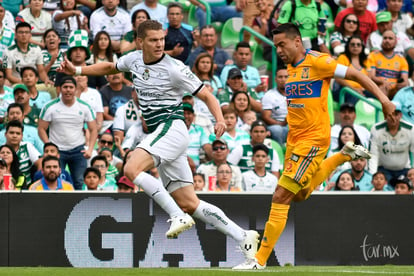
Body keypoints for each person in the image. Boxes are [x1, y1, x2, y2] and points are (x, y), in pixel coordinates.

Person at [57, 20, 260, 260]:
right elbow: (110, 67)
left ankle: (177, 216)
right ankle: (243, 236)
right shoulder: (133, 59)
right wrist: (78, 71)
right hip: (161, 133)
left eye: (162, 39)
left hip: (171, 128)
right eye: (153, 40)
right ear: (140, 42)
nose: (159, 44)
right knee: (190, 202)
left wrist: (219, 119)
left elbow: (206, 94)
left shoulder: (174, 67)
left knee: (131, 167)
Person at [233, 23, 395, 270]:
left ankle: (258, 260)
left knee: (281, 195)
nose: (278, 50)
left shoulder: (319, 62)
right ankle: (344, 155)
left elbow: (356, 75)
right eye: (275, 46)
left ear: (297, 41)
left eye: (282, 45)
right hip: (293, 141)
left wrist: (383, 100)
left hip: (314, 140)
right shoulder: (291, 68)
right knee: (298, 194)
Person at [38, 76, 97, 190]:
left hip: (78, 149)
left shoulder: (84, 107)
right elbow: (41, 128)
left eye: (71, 87)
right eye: (65, 87)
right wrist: (49, 146)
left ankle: (80, 207)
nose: (68, 90)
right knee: (58, 181)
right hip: (58, 150)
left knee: (79, 181)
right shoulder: (50, 107)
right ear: (60, 89)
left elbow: (93, 129)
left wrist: (90, 149)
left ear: (75, 89)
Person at [368, 102, 414, 181]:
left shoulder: (410, 129)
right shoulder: (376, 129)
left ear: (400, 115)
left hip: (404, 170)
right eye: (390, 114)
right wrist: (373, 176)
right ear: (385, 115)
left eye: (395, 114)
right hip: (383, 170)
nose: (393, 118)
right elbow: (373, 155)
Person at [367, 30, 409, 99]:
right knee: (382, 88)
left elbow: (405, 80)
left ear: (396, 42)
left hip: (394, 90)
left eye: (390, 38)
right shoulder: (373, 56)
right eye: (385, 38)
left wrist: (397, 85)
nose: (387, 40)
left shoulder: (402, 60)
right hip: (378, 88)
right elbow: (371, 76)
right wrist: (383, 82)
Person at [333, 36, 369, 104]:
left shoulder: (365, 61)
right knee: (354, 96)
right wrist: (354, 89)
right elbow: (338, 78)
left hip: (361, 90)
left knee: (375, 96)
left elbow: (368, 78)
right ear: (348, 46)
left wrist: (362, 89)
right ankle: (348, 114)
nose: (355, 46)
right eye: (352, 44)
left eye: (358, 45)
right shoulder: (342, 58)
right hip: (344, 89)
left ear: (362, 47)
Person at [4, 120, 41, 187]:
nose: (14, 136)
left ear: (21, 136)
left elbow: (40, 162)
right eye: (11, 133)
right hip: (6, 188)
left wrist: (37, 181)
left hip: (26, 189)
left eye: (18, 133)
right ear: (5, 134)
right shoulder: (2, 151)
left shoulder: (27, 146)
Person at [261, 68, 288, 145]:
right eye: (280, 77)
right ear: (275, 79)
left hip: (294, 122)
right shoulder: (269, 95)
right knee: (277, 130)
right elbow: (266, 117)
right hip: (277, 124)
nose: (283, 79)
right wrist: (281, 123)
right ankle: (280, 150)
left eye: (286, 77)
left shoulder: (297, 93)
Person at [183, 102, 211, 170]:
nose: (186, 116)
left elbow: (207, 146)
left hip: (196, 169)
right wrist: (188, 160)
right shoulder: (174, 130)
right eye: (183, 113)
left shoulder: (198, 130)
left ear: (193, 116)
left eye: (189, 113)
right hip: (180, 167)